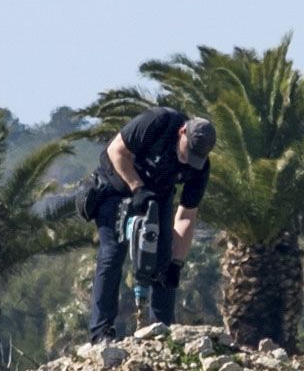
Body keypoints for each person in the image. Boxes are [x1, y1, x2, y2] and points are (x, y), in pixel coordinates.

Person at [87, 108, 216, 341]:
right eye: (187, 153)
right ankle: (101, 333)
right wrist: (137, 187)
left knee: (165, 263)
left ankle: (161, 331)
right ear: (182, 131)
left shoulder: (199, 168)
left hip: (158, 194)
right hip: (116, 183)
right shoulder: (158, 122)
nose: (187, 161)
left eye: (195, 158)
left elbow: (186, 215)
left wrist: (177, 262)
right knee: (113, 253)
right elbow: (116, 151)